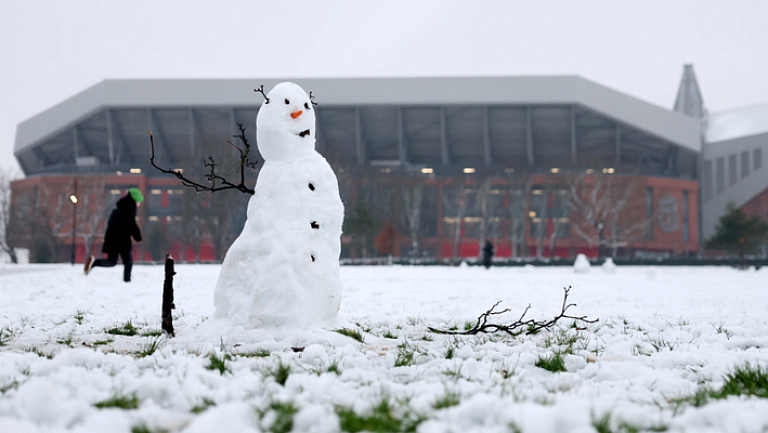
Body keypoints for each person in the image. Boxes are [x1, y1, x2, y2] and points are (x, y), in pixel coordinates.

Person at [84, 188, 143, 282]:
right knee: (128, 261)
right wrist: (138, 237)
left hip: (111, 238)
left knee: (111, 261)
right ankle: (127, 280)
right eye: (139, 201)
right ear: (135, 199)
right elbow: (131, 223)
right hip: (122, 240)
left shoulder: (118, 209)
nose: (139, 204)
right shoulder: (130, 208)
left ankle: (94, 263)